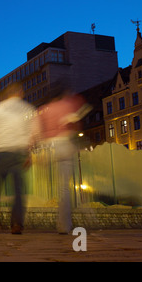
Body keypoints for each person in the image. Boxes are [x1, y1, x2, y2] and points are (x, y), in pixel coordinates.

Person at [0, 82, 40, 234]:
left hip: (2, 152)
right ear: (20, 93)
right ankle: (17, 224)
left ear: (8, 93)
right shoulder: (28, 109)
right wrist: (30, 154)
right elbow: (34, 133)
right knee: (19, 190)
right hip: (19, 153)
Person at [38, 82, 91, 234]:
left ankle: (62, 221)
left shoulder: (45, 109)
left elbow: (40, 130)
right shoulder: (68, 105)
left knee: (54, 186)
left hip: (50, 148)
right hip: (65, 146)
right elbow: (77, 119)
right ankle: (64, 224)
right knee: (65, 188)